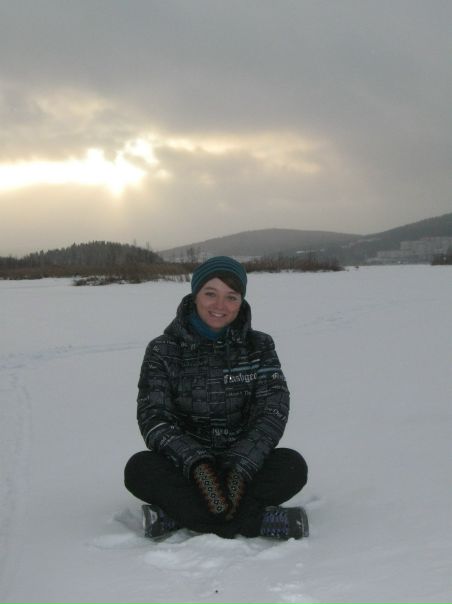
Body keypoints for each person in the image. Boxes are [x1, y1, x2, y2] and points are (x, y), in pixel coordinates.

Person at [124, 256, 308, 540]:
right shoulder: (163, 350)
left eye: (231, 297)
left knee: (292, 466)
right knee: (139, 469)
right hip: (187, 469)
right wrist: (198, 465)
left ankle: (178, 517)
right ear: (195, 295)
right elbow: (154, 416)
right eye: (210, 293)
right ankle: (256, 522)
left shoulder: (259, 346)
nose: (220, 305)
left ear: (241, 301)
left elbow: (273, 409)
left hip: (246, 467)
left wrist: (240, 466)